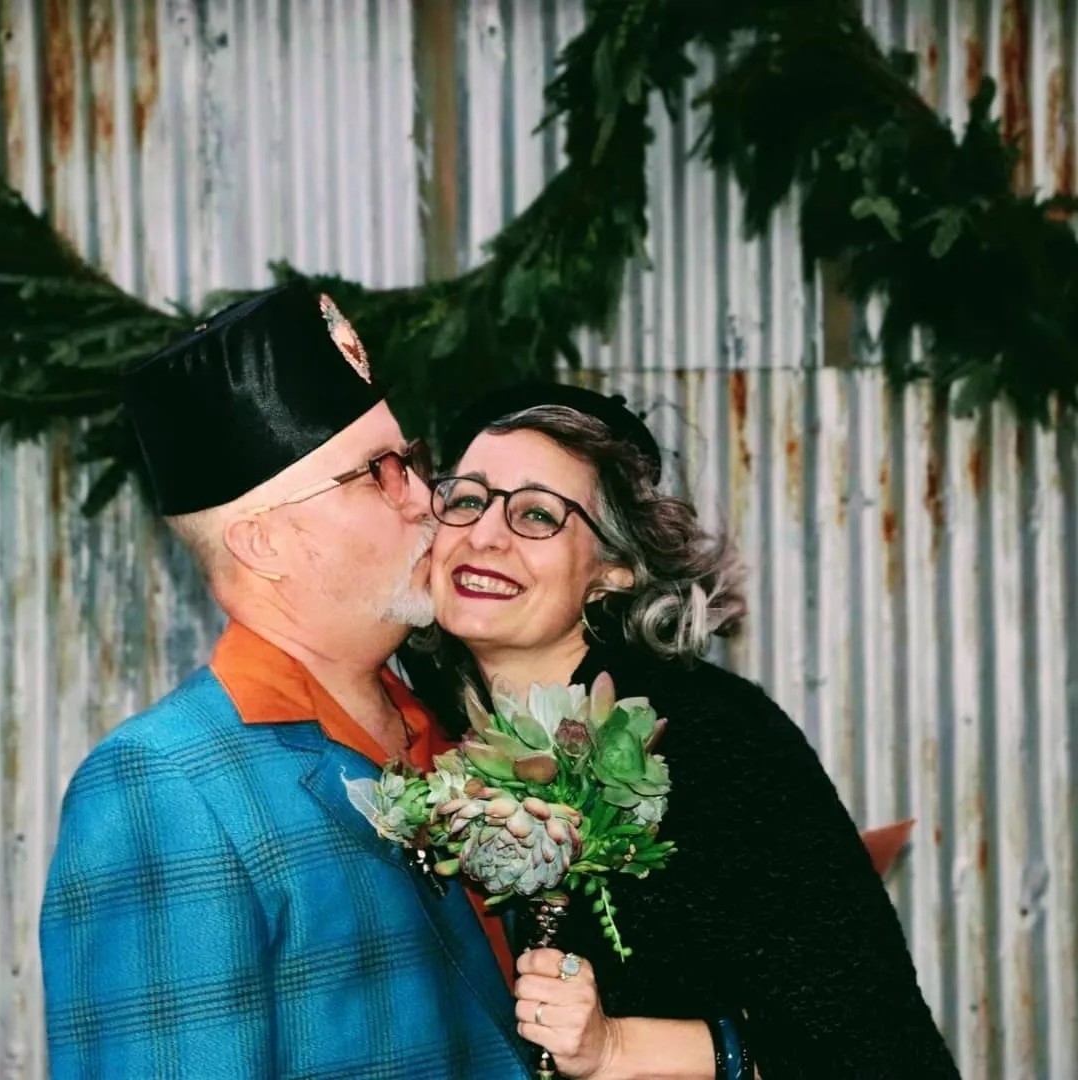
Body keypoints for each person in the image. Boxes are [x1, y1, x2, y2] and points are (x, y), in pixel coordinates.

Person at [39, 284, 530, 1079]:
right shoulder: (163, 787)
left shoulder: (452, 729)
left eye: (412, 463)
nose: (426, 502)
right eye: (379, 474)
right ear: (264, 542)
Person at [406, 381, 961, 1079]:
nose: (485, 534)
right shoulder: (414, 725)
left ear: (611, 570)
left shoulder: (710, 737)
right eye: (465, 499)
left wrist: (618, 1048)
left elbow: (877, 1045)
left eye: (538, 515)